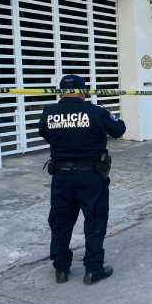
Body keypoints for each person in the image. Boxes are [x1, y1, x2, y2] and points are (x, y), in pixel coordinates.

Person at [38, 75, 126, 285]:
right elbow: (119, 130)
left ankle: (61, 268)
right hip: (91, 176)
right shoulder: (96, 112)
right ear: (83, 91)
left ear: (61, 92)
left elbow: (45, 134)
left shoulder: (49, 112)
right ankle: (93, 270)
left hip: (61, 176)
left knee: (61, 222)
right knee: (95, 221)